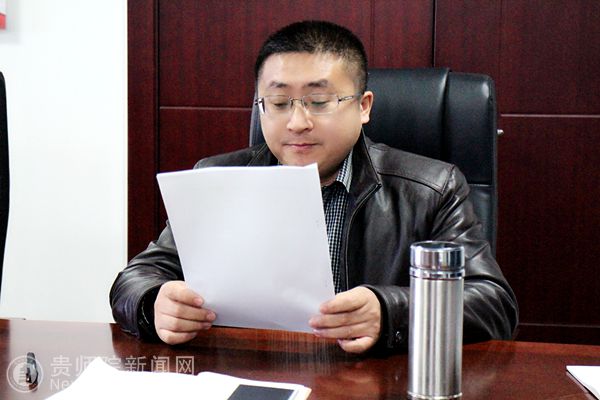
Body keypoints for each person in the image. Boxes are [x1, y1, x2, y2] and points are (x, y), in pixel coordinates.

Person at [110, 20, 518, 354]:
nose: (297, 123)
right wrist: (153, 303)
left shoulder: (431, 189)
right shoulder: (218, 180)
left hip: (367, 381)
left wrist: (389, 312)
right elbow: (137, 276)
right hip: (249, 372)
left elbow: (493, 303)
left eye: (319, 102)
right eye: (279, 103)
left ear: (363, 106)